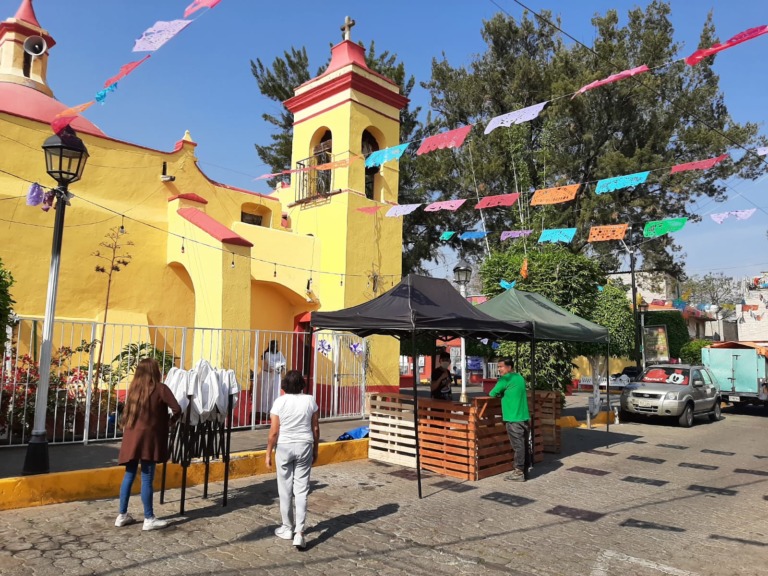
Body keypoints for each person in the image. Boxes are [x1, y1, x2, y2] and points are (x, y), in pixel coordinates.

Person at [115, 358, 182, 530]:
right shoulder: (160, 388)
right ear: (155, 371)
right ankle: (149, 518)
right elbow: (177, 409)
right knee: (147, 477)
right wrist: (169, 422)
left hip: (131, 438)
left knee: (129, 474)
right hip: (149, 440)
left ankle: (122, 515)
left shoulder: (134, 390)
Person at [265, 370, 320, 550]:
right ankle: (300, 533)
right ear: (301, 384)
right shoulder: (310, 400)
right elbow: (316, 428)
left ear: (284, 385)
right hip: (305, 445)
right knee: (302, 490)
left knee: (285, 489)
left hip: (284, 447)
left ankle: (287, 528)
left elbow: (273, 432)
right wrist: (316, 449)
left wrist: (268, 453)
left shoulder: (279, 402)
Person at [488, 357, 530, 482]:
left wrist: (500, 394)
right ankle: (524, 470)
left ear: (509, 367)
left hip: (513, 417)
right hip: (523, 417)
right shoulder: (519, 378)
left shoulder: (505, 379)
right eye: (498, 367)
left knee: (518, 446)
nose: (499, 369)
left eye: (501, 366)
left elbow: (492, 393)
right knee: (523, 444)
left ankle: (519, 472)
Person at [260, 339, 287, 418]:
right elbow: (270, 363)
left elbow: (284, 361)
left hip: (277, 375)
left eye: (276, 345)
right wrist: (279, 365)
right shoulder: (267, 354)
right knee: (267, 391)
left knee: (276, 391)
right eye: (274, 345)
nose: (275, 347)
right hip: (268, 375)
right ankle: (265, 410)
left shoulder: (279, 353)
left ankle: (275, 409)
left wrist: (280, 366)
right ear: (270, 346)